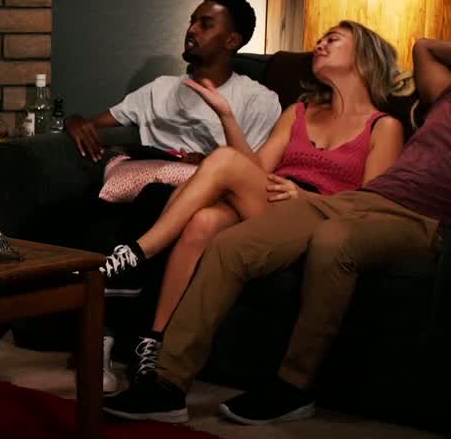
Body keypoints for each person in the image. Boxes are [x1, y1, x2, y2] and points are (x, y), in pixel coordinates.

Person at [104, 30, 451, 426]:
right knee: (231, 245)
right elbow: (426, 46)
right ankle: (167, 384)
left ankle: (294, 386)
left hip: (425, 222)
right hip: (358, 201)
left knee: (334, 241)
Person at [0, 0, 281, 380]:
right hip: (131, 188)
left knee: (153, 197)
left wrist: (204, 161)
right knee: (51, 219)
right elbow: (95, 123)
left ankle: (101, 340)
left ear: (233, 40)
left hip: (189, 199)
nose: (192, 30)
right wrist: (75, 122)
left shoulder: (258, 100)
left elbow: (251, 174)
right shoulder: (160, 89)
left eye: (205, 24)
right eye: (192, 20)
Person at [94, 21, 407, 388]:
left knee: (223, 164)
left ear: (365, 57)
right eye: (321, 38)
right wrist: (226, 115)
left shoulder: (384, 127)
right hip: (267, 200)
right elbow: (254, 170)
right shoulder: (299, 112)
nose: (320, 44)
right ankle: (156, 341)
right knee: (203, 221)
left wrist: (307, 197)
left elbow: (366, 207)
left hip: (313, 216)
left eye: (333, 40)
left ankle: (136, 254)